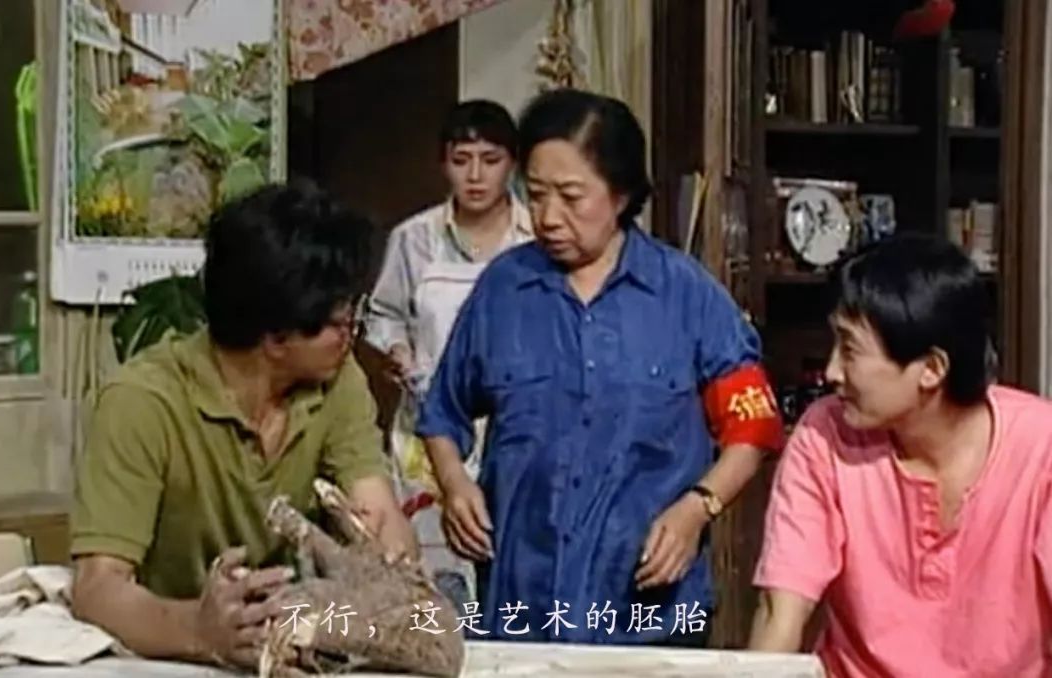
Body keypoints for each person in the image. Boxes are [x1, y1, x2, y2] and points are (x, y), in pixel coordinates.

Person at [416, 88, 785, 645]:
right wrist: (453, 484)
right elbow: (443, 412)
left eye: (571, 197)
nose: (548, 218)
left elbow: (752, 426)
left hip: (648, 616)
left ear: (621, 193)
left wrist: (698, 508)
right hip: (523, 608)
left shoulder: (686, 293)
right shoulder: (504, 290)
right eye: (535, 195)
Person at [70, 182, 417, 670]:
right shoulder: (143, 402)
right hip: (166, 660)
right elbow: (97, 588)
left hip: (295, 647)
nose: (350, 337)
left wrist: (389, 565)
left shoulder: (335, 381)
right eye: (339, 324)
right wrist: (197, 630)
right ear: (275, 338)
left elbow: (378, 516)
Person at [748, 234, 1052, 677]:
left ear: (931, 369)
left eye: (850, 350)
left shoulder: (1042, 449)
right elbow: (781, 611)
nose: (831, 372)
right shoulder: (824, 435)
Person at [363, 99, 533, 607]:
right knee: (434, 581)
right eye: (462, 161)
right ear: (443, 163)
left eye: (490, 160)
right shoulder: (413, 239)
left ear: (512, 164)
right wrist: (397, 349)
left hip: (512, 426)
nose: (475, 176)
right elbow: (383, 313)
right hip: (426, 431)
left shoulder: (535, 238)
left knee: (509, 567)